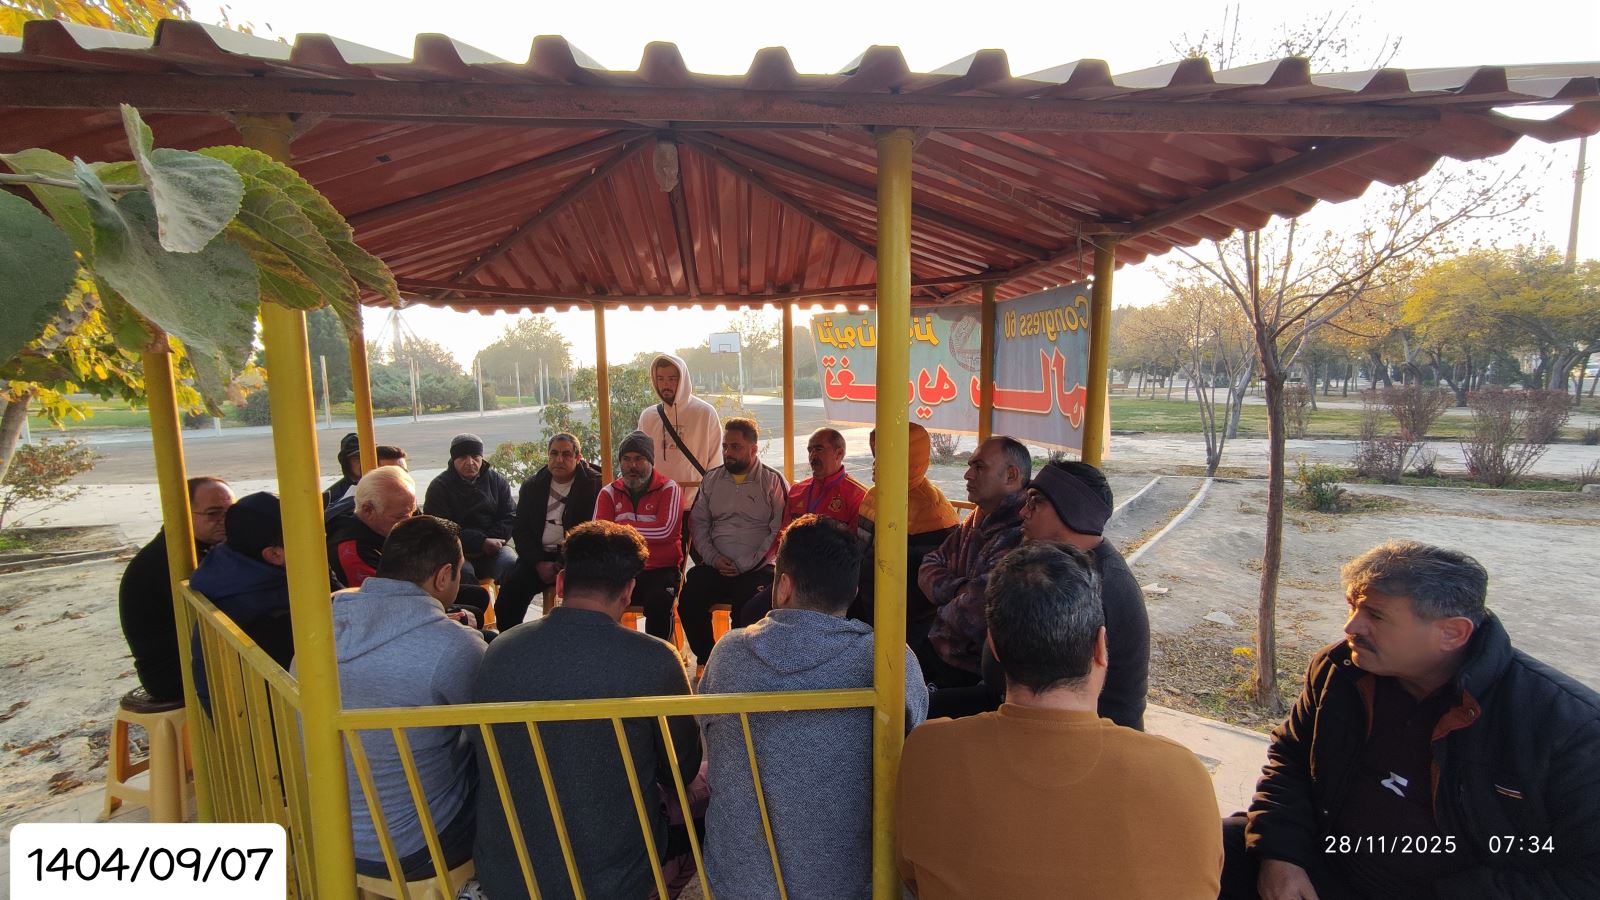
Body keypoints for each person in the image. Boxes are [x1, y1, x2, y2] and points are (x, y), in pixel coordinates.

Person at [1224, 541, 1600, 900]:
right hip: (1326, 867)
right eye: (1352, 607)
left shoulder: (1568, 727)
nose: (1351, 627)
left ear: (1452, 633)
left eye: (1375, 615)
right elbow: (1290, 759)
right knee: (1210, 844)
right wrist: (1280, 855)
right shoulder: (1340, 670)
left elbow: (1587, 878)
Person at [898, 542, 1221, 899]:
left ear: (995, 647)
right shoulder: (1183, 776)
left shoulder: (927, 754)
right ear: (1100, 647)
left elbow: (909, 875)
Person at [699, 515, 928, 899]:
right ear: (853, 591)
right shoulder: (888, 661)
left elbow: (707, 736)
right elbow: (914, 743)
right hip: (855, 886)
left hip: (742, 887)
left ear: (784, 585)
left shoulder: (729, 654)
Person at [471, 520, 700, 900]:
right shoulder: (655, 659)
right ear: (629, 590)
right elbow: (681, 769)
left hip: (508, 874)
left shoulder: (500, 650)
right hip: (616, 880)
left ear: (560, 583)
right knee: (701, 792)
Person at [330, 515, 487, 881]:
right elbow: (492, 738)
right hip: (413, 846)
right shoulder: (452, 646)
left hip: (328, 832)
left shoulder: (323, 623)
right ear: (444, 576)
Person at [947, 460, 1148, 729]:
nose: (1022, 512)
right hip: (1018, 707)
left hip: (1080, 730)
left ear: (1072, 510)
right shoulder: (1063, 566)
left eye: (1035, 502)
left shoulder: (1099, 585)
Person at [914, 435, 1028, 687]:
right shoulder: (977, 517)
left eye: (979, 467)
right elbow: (929, 564)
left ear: (1011, 476)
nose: (967, 475)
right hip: (939, 650)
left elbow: (977, 612)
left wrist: (952, 597)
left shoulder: (1021, 532)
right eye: (970, 466)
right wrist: (960, 590)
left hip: (974, 672)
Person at [679, 417, 787, 665]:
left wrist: (747, 564)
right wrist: (713, 558)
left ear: (753, 449)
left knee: (747, 610)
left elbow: (779, 531)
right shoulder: (711, 479)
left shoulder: (772, 481)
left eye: (735, 447)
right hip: (716, 565)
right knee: (689, 599)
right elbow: (698, 524)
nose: (728, 453)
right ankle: (710, 660)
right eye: (725, 446)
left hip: (757, 568)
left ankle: (740, 666)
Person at [734, 426, 867, 627]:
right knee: (750, 613)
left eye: (819, 449)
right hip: (794, 578)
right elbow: (783, 538)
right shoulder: (797, 491)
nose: (812, 456)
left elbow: (856, 550)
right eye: (809, 450)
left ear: (839, 453)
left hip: (830, 582)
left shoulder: (857, 495)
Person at [119, 476, 234, 703]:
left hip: (202, 655)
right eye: (213, 513)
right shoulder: (170, 559)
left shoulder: (204, 547)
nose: (225, 520)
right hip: (173, 673)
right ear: (184, 514)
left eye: (231, 511)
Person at [188, 492, 294, 712]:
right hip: (268, 725)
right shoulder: (269, 607)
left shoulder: (227, 567)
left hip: (246, 718)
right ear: (274, 555)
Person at [851, 424, 960, 631]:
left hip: (905, 625)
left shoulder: (932, 512)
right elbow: (861, 551)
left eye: (884, 456)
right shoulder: (873, 495)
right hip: (867, 607)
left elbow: (926, 590)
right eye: (876, 454)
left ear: (908, 460)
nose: (874, 463)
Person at [500, 432, 602, 627]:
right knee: (510, 594)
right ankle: (511, 642)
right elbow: (520, 530)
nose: (559, 460)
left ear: (578, 458)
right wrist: (539, 563)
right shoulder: (533, 486)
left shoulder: (594, 485)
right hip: (537, 559)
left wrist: (561, 563)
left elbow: (592, 532)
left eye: (566, 454)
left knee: (584, 602)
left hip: (577, 559)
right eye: (554, 453)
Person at [593, 430, 684, 641]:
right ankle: (609, 654)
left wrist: (618, 528)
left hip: (660, 570)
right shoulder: (608, 493)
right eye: (626, 459)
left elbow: (665, 531)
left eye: (639, 459)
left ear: (651, 461)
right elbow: (599, 534)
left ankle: (658, 657)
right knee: (595, 601)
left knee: (659, 603)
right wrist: (643, 530)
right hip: (620, 569)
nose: (632, 465)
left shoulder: (669, 488)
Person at [423, 433, 517, 585]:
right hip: (457, 550)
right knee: (461, 574)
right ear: (454, 459)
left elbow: (510, 515)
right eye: (462, 457)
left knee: (511, 565)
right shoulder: (439, 487)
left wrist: (491, 541)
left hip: (494, 546)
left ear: (481, 457)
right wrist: (480, 542)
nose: (470, 462)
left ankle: (506, 602)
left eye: (475, 457)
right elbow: (439, 528)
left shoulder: (496, 481)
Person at [637, 353, 722, 510]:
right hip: (657, 504)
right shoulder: (648, 417)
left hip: (697, 505)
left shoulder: (705, 413)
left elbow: (716, 460)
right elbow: (640, 457)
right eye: (660, 379)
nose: (665, 384)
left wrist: (708, 500)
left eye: (672, 379)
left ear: (682, 380)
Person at [327, 465, 418, 589]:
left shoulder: (395, 512)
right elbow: (386, 595)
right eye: (399, 517)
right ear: (368, 510)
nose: (409, 522)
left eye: (412, 512)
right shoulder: (352, 552)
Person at [322, 432, 363, 508]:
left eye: (368, 456)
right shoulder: (332, 497)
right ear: (346, 463)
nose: (364, 462)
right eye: (357, 459)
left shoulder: (383, 486)